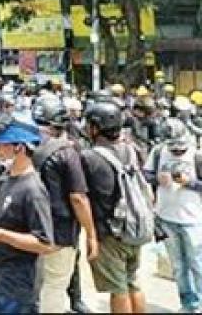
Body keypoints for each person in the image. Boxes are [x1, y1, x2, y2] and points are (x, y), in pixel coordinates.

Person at [0, 119, 54, 314]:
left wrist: (0, 236)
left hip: (18, 283)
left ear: (19, 148)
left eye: (2, 145)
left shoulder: (33, 190)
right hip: (0, 275)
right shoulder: (6, 180)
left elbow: (44, 243)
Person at [30, 96, 97, 314]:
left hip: (31, 225)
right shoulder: (66, 153)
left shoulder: (26, 148)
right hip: (59, 230)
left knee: (38, 282)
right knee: (55, 284)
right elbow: (78, 198)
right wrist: (91, 234)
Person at [80, 101, 147, 314]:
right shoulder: (132, 149)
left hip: (110, 232)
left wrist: (91, 236)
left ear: (95, 127)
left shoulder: (90, 157)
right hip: (134, 225)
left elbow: (80, 196)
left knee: (118, 289)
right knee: (132, 281)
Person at [144, 118, 202, 313]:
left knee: (198, 264)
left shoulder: (197, 154)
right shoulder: (158, 152)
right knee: (177, 266)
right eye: (173, 149)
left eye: (180, 149)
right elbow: (145, 174)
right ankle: (188, 304)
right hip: (166, 217)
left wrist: (190, 183)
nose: (177, 152)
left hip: (193, 219)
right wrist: (157, 179)